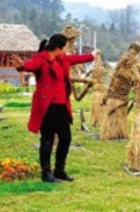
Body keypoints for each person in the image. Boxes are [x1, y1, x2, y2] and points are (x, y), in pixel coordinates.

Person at [10, 34, 98, 183]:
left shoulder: (62, 59)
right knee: (47, 140)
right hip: (47, 107)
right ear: (58, 48)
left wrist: (92, 56)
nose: (66, 51)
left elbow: (77, 58)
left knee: (66, 139)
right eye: (64, 48)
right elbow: (31, 65)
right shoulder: (41, 59)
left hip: (62, 107)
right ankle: (46, 173)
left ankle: (59, 170)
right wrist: (22, 66)